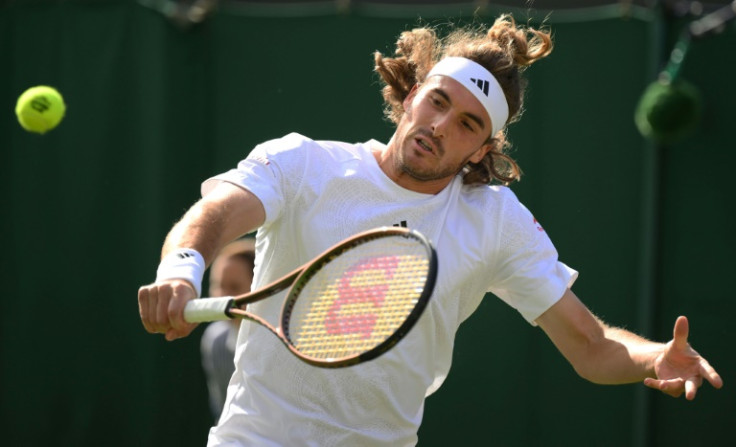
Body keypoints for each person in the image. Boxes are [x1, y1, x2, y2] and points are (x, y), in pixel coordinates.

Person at [138, 14, 723, 446]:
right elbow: (214, 214)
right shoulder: (303, 163)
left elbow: (591, 346)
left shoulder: (496, 222)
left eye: (466, 123)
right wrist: (181, 269)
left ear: (482, 148)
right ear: (412, 95)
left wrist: (651, 359)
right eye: (437, 102)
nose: (440, 126)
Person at [199, 238, 256, 421]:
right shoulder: (215, 340)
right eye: (218, 286)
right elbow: (225, 415)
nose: (223, 297)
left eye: (234, 287)